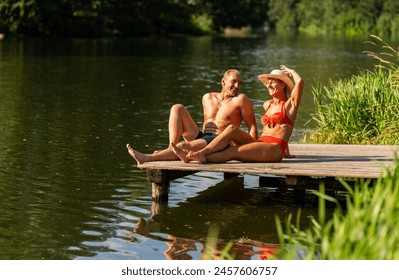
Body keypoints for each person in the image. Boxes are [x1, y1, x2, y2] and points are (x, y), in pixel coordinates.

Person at [172, 65, 303, 163]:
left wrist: (291, 72)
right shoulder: (267, 104)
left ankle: (200, 154)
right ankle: (195, 155)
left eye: (273, 81)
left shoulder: (289, 105)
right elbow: (279, 128)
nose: (268, 85)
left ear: (283, 85)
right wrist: (287, 152)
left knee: (231, 152)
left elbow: (300, 82)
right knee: (232, 131)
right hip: (261, 143)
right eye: (268, 82)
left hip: (274, 148)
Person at [127, 69, 258, 164]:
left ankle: (146, 158)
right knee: (177, 108)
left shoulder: (241, 100)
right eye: (234, 81)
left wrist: (252, 149)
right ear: (223, 81)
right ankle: (170, 147)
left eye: (239, 83)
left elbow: (251, 125)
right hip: (203, 136)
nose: (237, 86)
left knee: (184, 146)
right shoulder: (207, 97)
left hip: (220, 141)